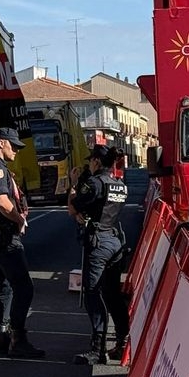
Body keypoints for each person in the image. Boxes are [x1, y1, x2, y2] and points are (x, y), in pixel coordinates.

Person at [0, 128, 45, 359]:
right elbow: (2, 202)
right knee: (24, 287)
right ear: (1, 144)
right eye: (13, 146)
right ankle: (18, 338)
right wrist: (20, 219)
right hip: (5, 235)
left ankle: (2, 336)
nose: (16, 150)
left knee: (4, 287)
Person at [71, 145, 130, 365]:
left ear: (96, 161)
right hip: (115, 240)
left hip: (98, 242)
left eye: (91, 161)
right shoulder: (120, 185)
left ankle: (98, 348)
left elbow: (73, 207)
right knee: (113, 295)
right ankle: (123, 342)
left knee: (93, 294)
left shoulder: (94, 183)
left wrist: (74, 184)